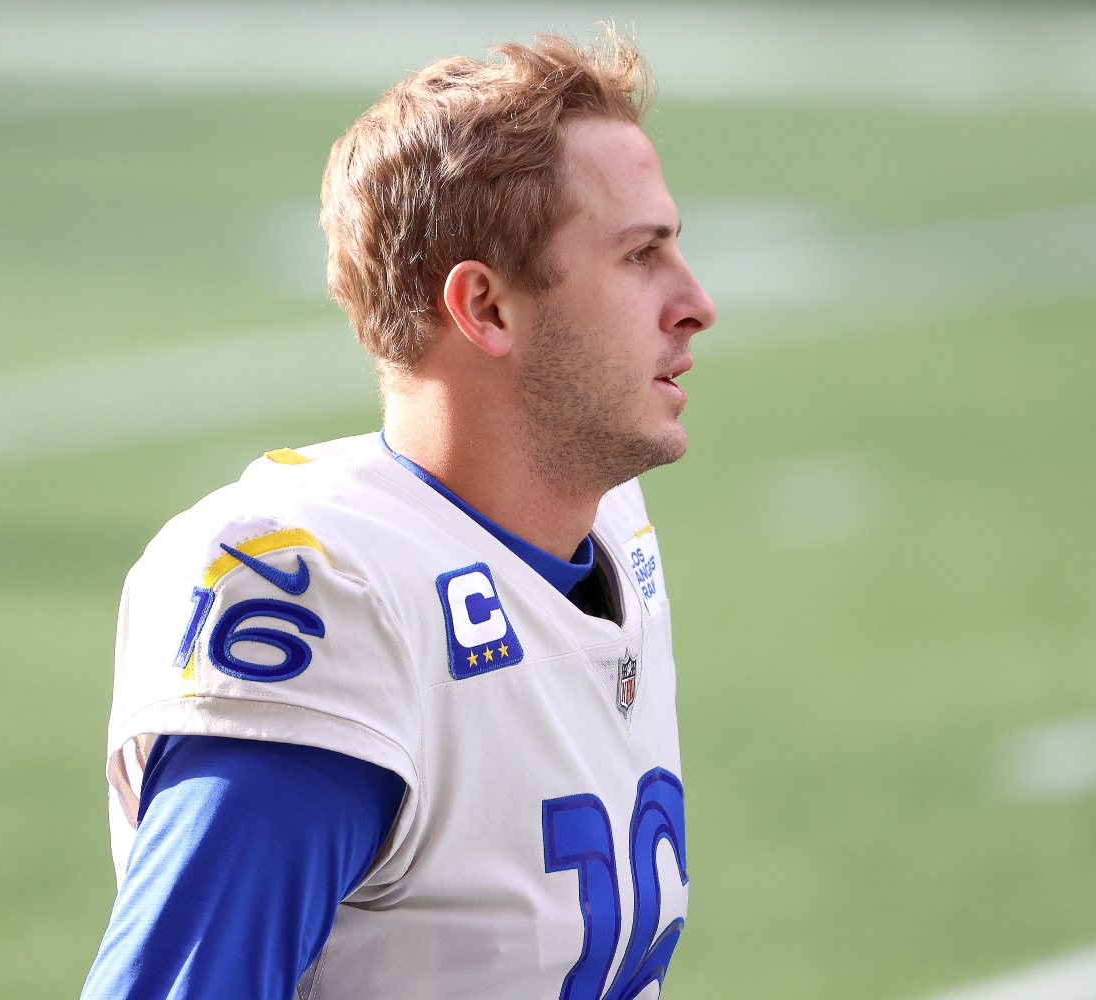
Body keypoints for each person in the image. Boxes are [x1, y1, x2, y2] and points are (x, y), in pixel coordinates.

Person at [81, 27, 715, 1000]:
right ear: (486, 308)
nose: (695, 302)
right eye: (641, 256)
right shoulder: (335, 597)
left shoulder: (608, 535)